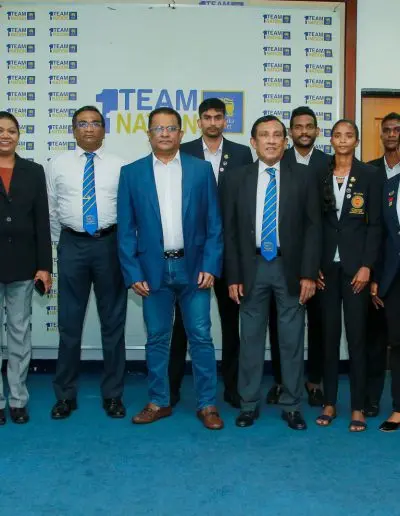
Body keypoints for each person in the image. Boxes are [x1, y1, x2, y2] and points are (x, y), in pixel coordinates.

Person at [117, 107, 224, 430]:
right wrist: (133, 273)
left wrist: (210, 264)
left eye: (171, 128)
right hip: (153, 272)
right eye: (158, 128)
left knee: (201, 337)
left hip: (194, 270)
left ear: (181, 133)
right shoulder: (131, 173)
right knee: (157, 338)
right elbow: (126, 230)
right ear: (148, 134)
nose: (164, 133)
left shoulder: (201, 170)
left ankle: (207, 404)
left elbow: (214, 224)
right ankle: (158, 401)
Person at [222, 115, 321, 430]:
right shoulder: (236, 178)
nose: (271, 140)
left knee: (292, 340)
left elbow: (313, 228)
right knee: (250, 339)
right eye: (264, 135)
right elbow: (230, 232)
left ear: (285, 141)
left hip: (289, 268)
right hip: (251, 268)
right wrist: (233, 276)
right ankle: (248, 403)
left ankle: (291, 405)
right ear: (253, 142)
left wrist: (309, 273)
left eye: (277, 135)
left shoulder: (304, 176)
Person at [168, 98, 253, 409]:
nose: (213, 122)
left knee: (231, 323)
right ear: (199, 121)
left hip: (229, 250)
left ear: (225, 121)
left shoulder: (241, 154)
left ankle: (232, 387)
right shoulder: (184, 150)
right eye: (207, 117)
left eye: (218, 117)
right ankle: (172, 387)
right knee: (183, 324)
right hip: (193, 251)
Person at [46, 106, 127, 420]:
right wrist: (65, 243)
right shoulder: (57, 165)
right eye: (82, 123)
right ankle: (65, 396)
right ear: (73, 129)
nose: (89, 128)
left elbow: (128, 211)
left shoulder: (121, 166)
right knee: (69, 324)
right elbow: (52, 209)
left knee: (113, 323)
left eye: (95, 123)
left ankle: (113, 395)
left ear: (104, 129)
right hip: (72, 245)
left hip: (110, 244)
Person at [316, 119, 382, 432]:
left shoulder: (370, 175)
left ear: (356, 141)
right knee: (328, 339)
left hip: (357, 271)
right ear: (331, 140)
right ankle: (329, 402)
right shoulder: (320, 173)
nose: (343, 140)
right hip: (326, 271)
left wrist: (367, 266)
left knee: (356, 340)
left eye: (349, 135)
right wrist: (312, 265)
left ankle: (358, 406)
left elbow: (376, 225)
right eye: (338, 135)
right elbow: (312, 223)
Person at [267, 106, 330, 407]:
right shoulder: (278, 160)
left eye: (309, 126)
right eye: (298, 127)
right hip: (282, 260)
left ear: (317, 130)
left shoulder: (329, 163)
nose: (304, 131)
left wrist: (316, 263)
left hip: (317, 261)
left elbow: (327, 219)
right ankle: (281, 381)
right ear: (290, 132)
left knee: (317, 322)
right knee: (278, 322)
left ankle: (314, 381)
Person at [0, 111, 52, 425]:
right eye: (0, 130)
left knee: (19, 335)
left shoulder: (33, 171)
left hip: (23, 264)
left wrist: (44, 266)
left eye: (11, 130)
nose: (5, 135)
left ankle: (18, 400)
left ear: (19, 136)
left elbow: (42, 221)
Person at [365, 112, 400, 417]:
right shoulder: (370, 171)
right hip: (375, 268)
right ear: (381, 135)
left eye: (397, 130)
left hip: (397, 271)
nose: (391, 134)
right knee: (374, 339)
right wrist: (372, 271)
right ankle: (372, 399)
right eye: (387, 130)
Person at [371, 155, 400, 432]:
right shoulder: (390, 187)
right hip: (395, 278)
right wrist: (377, 278)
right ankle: (398, 409)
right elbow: (381, 237)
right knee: (398, 344)